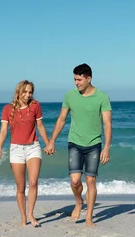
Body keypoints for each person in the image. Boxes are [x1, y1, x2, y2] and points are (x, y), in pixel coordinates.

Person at [44, 64, 112, 227]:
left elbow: (107, 123)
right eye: (74, 79)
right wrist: (52, 140)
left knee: (91, 180)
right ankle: (79, 202)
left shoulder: (102, 97)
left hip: (94, 143)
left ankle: (89, 216)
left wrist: (107, 147)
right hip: (74, 142)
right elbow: (61, 119)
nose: (76, 83)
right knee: (75, 181)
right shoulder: (70, 96)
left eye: (79, 79)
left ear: (89, 78)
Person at [0, 80, 50, 227]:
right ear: (18, 92)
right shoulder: (7, 109)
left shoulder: (35, 106)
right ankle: (23, 216)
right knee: (20, 187)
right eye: (25, 92)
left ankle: (31, 214)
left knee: (33, 182)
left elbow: (40, 126)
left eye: (30, 92)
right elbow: (3, 131)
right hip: (16, 150)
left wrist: (48, 143)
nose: (28, 95)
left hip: (33, 147)